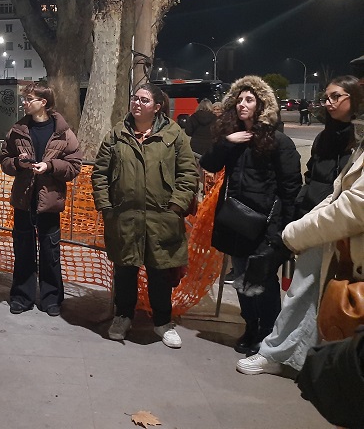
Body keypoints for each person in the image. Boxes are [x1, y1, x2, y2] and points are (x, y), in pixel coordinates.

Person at [236, 75, 363, 375]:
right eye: (326, 97)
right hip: (315, 222)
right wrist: (300, 218)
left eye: (336, 97)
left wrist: (288, 232)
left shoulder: (352, 139)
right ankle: (292, 354)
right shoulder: (327, 137)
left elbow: (349, 203)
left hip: (337, 231)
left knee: (332, 299)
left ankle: (298, 356)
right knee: (305, 293)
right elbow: (323, 184)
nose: (328, 103)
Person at [199, 75, 301, 356]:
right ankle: (251, 326)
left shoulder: (279, 142)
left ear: (262, 105)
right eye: (239, 100)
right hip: (237, 222)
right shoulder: (234, 140)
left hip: (266, 226)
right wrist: (227, 142)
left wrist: (283, 231)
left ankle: (268, 332)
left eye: (249, 100)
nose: (242, 104)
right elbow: (208, 164)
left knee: (263, 282)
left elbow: (290, 190)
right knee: (241, 278)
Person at [92, 82, 198, 348]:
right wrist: (106, 207)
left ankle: (162, 322)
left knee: (160, 273)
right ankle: (123, 317)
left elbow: (188, 174)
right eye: (135, 98)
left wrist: (176, 206)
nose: (137, 103)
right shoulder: (117, 135)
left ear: (157, 107)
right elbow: (100, 173)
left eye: (144, 100)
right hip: (124, 218)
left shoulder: (174, 135)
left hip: (162, 219)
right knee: (125, 271)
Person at [0, 83, 82, 317]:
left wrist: (50, 166)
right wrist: (18, 163)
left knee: (50, 252)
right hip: (23, 200)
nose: (24, 103)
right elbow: (5, 159)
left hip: (50, 201)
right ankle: (21, 297)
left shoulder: (63, 132)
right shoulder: (18, 130)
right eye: (24, 99)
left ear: (43, 102)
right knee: (23, 250)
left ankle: (51, 298)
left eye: (29, 99)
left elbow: (75, 165)